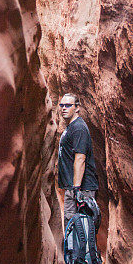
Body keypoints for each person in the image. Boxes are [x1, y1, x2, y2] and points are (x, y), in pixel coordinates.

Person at [57, 93, 99, 233]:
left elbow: (80, 158)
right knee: (73, 229)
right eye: (62, 105)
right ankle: (74, 255)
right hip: (74, 188)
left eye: (68, 105)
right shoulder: (71, 127)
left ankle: (80, 255)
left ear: (77, 108)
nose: (64, 108)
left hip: (81, 189)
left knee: (80, 230)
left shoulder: (79, 128)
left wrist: (76, 190)